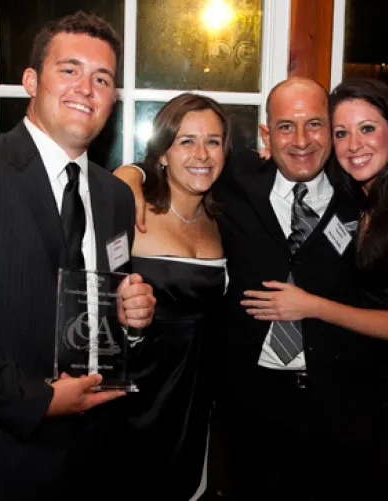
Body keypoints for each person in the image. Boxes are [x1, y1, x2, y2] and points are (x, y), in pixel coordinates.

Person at [115, 77, 388, 500]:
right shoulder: (232, 178)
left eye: (315, 125)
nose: (300, 141)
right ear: (266, 135)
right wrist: (126, 179)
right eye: (285, 127)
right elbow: (170, 160)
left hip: (339, 407)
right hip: (245, 405)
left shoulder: (361, 194)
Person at [0, 12, 155, 501]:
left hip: (89, 459)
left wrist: (130, 317)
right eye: (70, 70)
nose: (87, 87)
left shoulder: (115, 197)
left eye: (102, 78)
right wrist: (38, 401)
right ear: (31, 81)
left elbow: (100, 312)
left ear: (113, 97)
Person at [243, 78, 388, 500]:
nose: (353, 143)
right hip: (357, 388)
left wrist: (310, 305)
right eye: (342, 132)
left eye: (367, 128)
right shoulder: (361, 195)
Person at [117, 93, 229, 500]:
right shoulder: (131, 211)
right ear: (163, 152)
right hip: (134, 396)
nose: (202, 153)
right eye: (186, 141)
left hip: (196, 398)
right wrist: (130, 173)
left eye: (213, 141)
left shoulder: (223, 218)